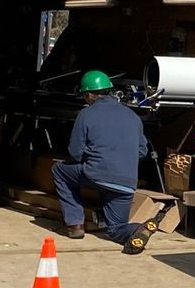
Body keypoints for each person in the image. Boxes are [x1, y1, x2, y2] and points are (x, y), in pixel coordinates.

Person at [52, 70, 151, 241]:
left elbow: (75, 153)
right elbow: (142, 151)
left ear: (89, 94)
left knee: (59, 171)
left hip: (96, 174)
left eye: (84, 95)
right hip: (126, 183)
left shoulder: (86, 114)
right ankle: (138, 229)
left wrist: (96, 160)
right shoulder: (133, 116)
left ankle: (75, 224)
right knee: (115, 229)